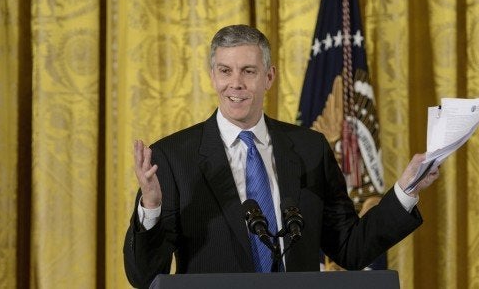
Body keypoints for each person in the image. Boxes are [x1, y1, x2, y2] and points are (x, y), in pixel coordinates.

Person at [123, 24, 439, 288]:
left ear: (269, 77)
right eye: (225, 71)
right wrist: (150, 207)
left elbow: (350, 248)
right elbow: (144, 276)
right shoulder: (174, 157)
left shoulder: (309, 148)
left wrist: (404, 192)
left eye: (248, 71)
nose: (236, 83)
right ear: (212, 76)